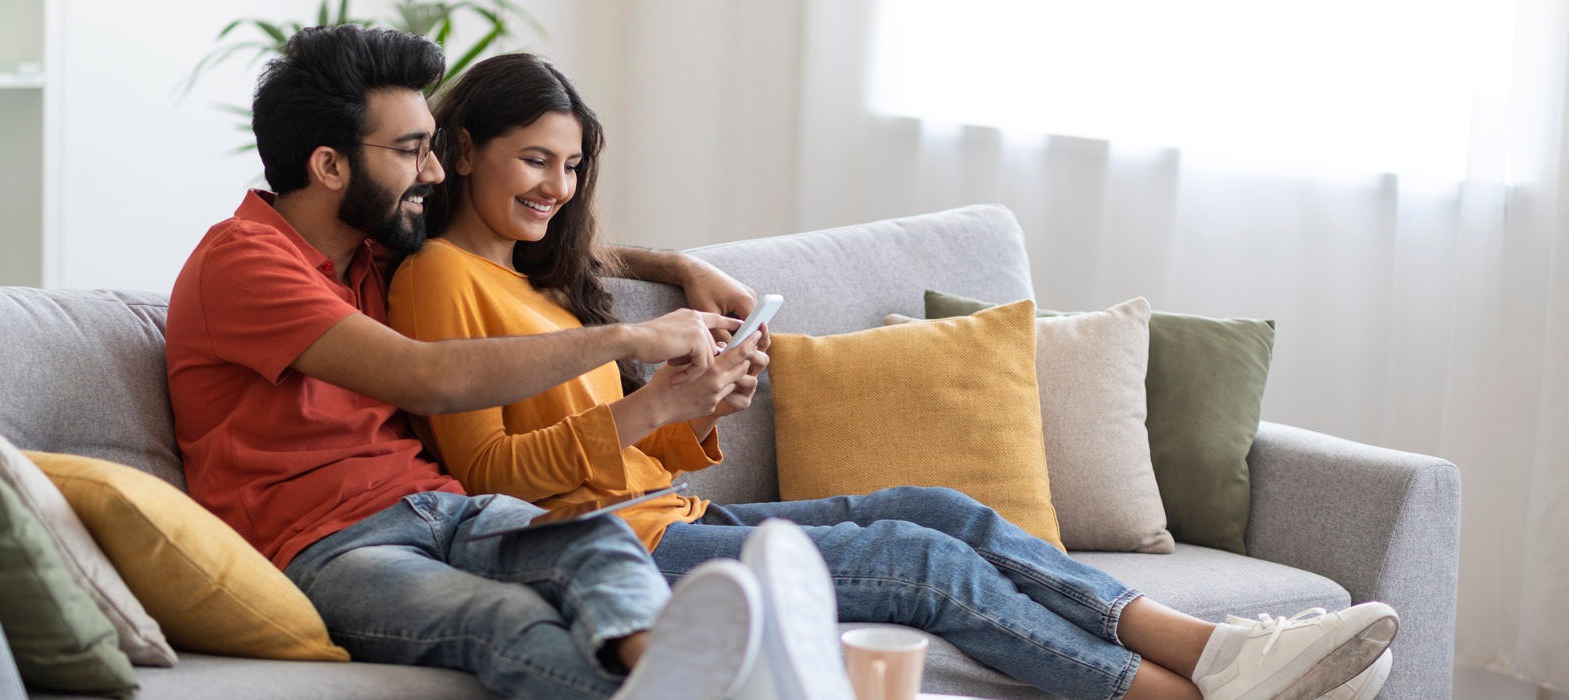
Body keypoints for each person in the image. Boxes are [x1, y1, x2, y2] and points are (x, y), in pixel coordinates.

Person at [388, 52, 1401, 700]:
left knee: (939, 508)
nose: (555, 190)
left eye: (569, 170)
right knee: (919, 564)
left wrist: (696, 405)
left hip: (669, 521)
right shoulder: (439, 280)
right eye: (534, 163)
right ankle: (1190, 693)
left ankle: (1218, 652)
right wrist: (656, 401)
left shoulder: (545, 284)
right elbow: (497, 485)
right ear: (464, 148)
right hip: (607, 555)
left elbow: (610, 405)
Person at [166, 25, 818, 700]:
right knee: (509, 617)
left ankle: (676, 677)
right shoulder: (244, 262)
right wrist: (628, 338)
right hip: (330, 549)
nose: (436, 172)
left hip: (445, 510)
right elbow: (428, 377)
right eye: (411, 151)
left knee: (597, 542)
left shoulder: (367, 249)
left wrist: (680, 265)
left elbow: (547, 249)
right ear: (330, 167)